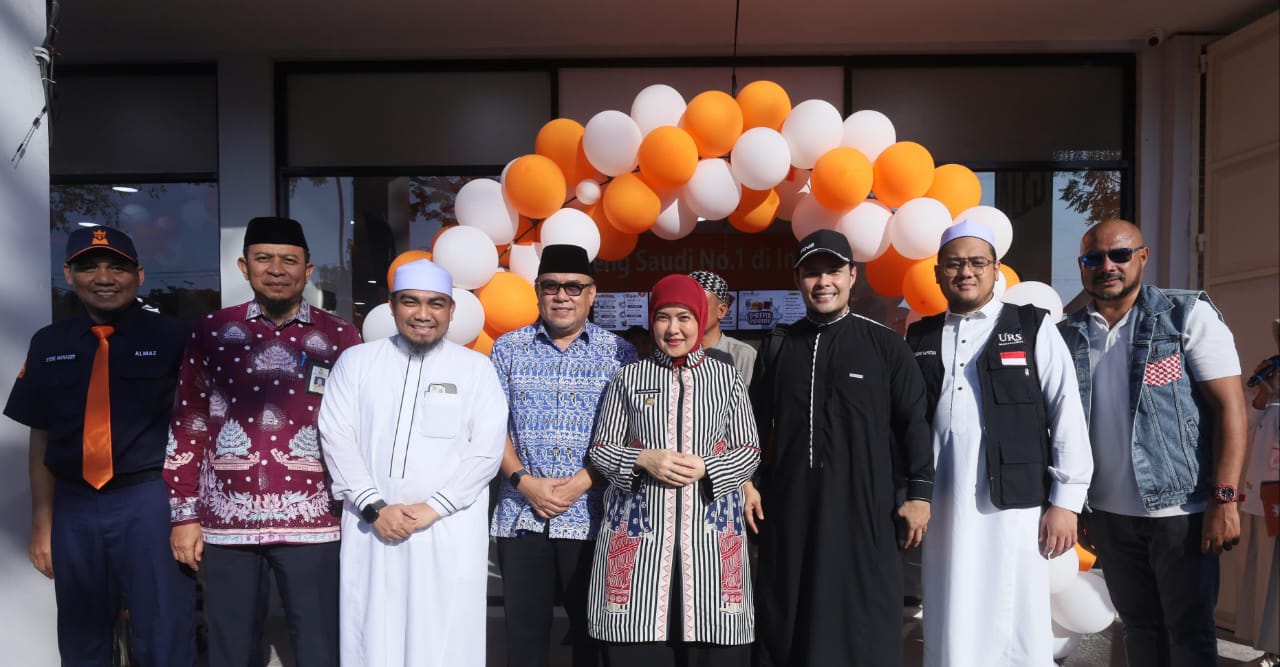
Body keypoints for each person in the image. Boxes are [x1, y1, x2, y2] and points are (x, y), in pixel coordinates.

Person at [166, 216, 362, 666]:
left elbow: (358, 428)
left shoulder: (340, 336)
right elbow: (189, 422)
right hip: (226, 521)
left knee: (321, 646)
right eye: (264, 258)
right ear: (244, 266)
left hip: (316, 521)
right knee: (231, 649)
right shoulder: (212, 330)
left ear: (307, 271)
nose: (276, 269)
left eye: (289, 260)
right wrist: (184, 515)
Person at [1059, 218, 1248, 667]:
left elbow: (1231, 409)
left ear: (1142, 257)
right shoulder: (1069, 333)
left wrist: (1224, 499)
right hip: (1109, 515)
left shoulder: (1186, 315)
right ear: (1082, 266)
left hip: (1182, 512)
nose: (1107, 265)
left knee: (1190, 634)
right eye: (1094, 258)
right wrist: (1080, 506)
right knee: (1139, 629)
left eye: (1120, 255)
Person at [904, 220, 1094, 666]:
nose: (966, 272)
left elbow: (1067, 412)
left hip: (1014, 507)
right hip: (942, 505)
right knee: (949, 608)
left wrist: (1066, 502)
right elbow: (904, 421)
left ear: (996, 269)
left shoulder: (1031, 326)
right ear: (938, 273)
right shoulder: (920, 336)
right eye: (954, 264)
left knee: (1013, 614)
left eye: (977, 262)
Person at [4, 226, 196, 665]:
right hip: (75, 505)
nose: (104, 278)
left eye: (117, 268)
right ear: (68, 275)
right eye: (89, 267)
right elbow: (41, 435)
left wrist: (192, 514)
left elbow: (198, 428)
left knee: (164, 632)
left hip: (150, 499)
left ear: (139, 275)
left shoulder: (176, 338)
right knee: (82, 639)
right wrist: (41, 523)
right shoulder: (48, 343)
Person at [751, 229, 934, 667]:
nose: (823, 282)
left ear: (852, 275)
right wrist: (748, 482)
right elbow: (752, 425)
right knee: (788, 615)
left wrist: (920, 495)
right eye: (812, 273)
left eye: (833, 271)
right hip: (790, 510)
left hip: (864, 510)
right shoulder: (778, 346)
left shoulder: (885, 346)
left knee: (860, 616)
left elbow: (913, 424)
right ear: (797, 279)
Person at [317, 259, 507, 667]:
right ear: (391, 306)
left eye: (436, 303)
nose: (423, 314)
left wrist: (434, 507)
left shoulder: (476, 369)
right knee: (373, 634)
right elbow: (336, 437)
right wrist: (374, 506)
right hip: (373, 528)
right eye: (410, 302)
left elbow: (487, 451)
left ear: (451, 310)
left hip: (447, 529)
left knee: (445, 638)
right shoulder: (356, 362)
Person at [586, 274, 760, 667]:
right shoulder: (629, 377)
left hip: (709, 541)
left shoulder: (726, 378)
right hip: (641, 541)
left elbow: (749, 451)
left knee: (711, 642)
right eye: (663, 317)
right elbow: (601, 450)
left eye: (684, 317)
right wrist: (642, 459)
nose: (673, 328)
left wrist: (707, 466)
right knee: (639, 644)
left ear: (701, 318)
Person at [489, 244, 636, 667]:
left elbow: (632, 435)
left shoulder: (620, 353)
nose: (562, 295)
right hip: (522, 514)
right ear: (537, 292)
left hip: (591, 516)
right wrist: (524, 482)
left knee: (592, 640)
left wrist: (582, 482)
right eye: (551, 286)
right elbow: (491, 427)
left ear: (592, 293)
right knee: (524, 639)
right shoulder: (507, 349)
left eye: (574, 286)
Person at [1236, 319, 1279, 664]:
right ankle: (1271, 650)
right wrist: (1265, 394)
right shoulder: (1269, 374)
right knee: (1267, 574)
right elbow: (1243, 425)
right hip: (1267, 494)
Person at [689, 271, 756, 384]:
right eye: (687, 306)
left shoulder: (743, 355)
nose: (692, 311)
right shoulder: (673, 353)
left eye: (700, 305)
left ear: (721, 311)